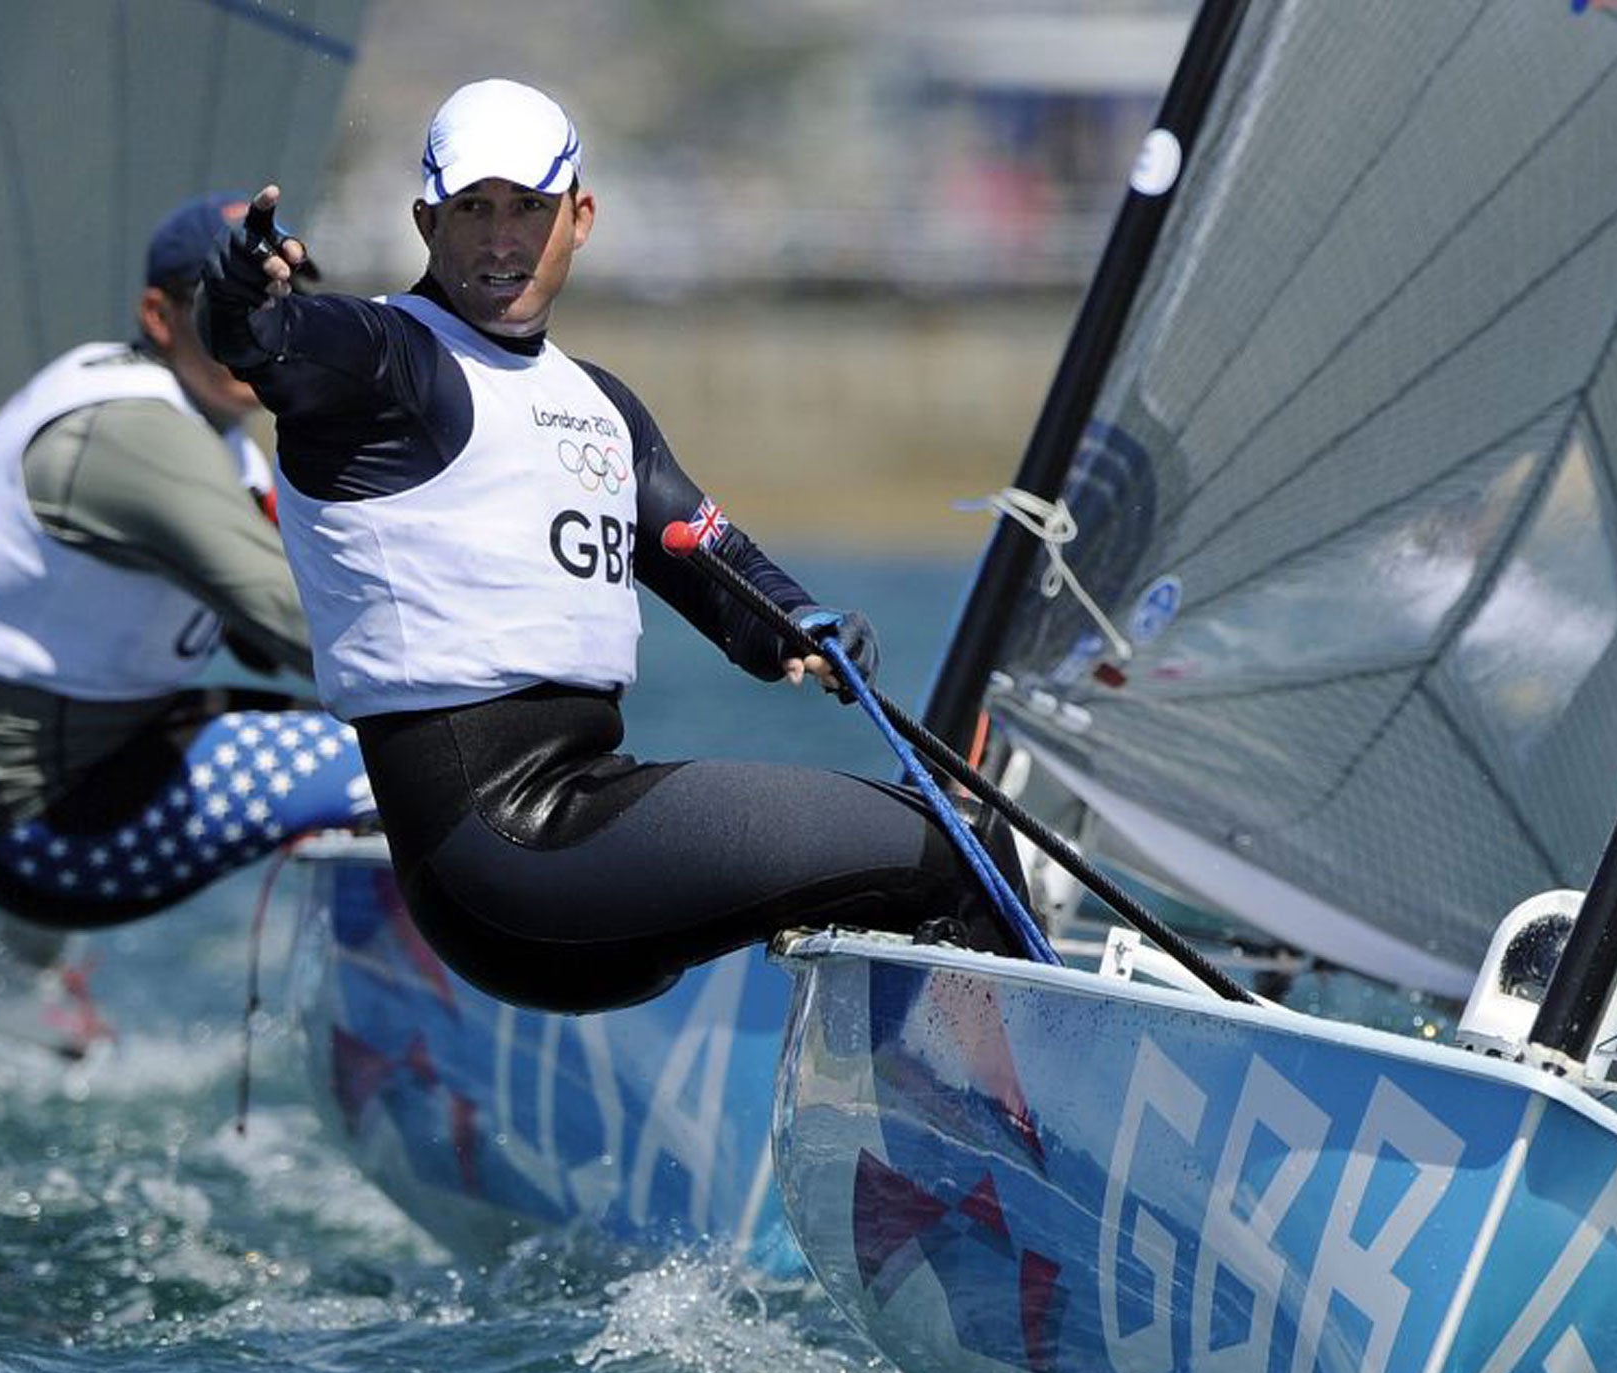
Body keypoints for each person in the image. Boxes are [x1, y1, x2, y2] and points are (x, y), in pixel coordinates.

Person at [198, 79, 1031, 1012]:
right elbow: (273, 345)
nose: (501, 238)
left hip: (586, 826)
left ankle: (905, 1123)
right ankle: (1041, 1136)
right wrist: (241, 308)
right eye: (472, 208)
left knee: (926, 860)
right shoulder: (390, 361)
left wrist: (798, 618)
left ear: (580, 216)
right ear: (427, 223)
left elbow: (714, 563)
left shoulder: (600, 408)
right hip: (505, 855)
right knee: (962, 854)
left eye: (529, 207)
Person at [0, 193, 376, 930]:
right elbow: (314, 626)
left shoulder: (199, 424)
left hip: (109, 764)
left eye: (281, 296)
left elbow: (264, 638)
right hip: (43, 834)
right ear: (160, 316)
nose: (258, 319)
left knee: (403, 742)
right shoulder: (133, 434)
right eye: (228, 298)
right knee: (402, 767)